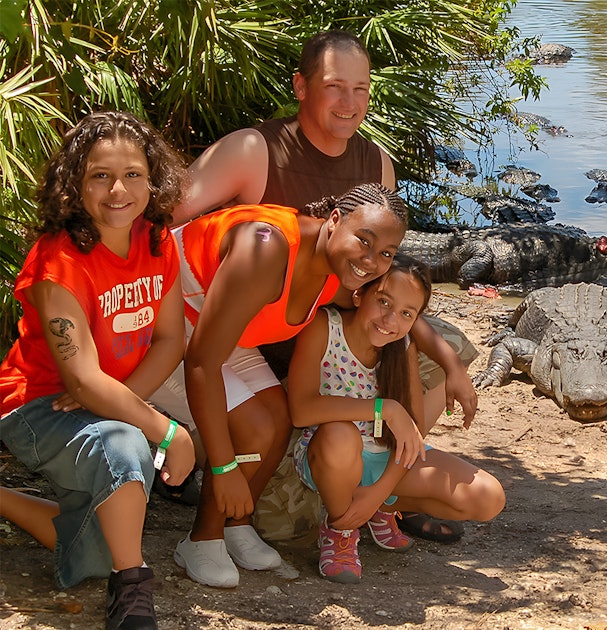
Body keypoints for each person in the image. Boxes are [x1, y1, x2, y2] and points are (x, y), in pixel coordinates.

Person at [170, 28, 476, 543]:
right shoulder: (255, 150)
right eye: (335, 86)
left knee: (443, 346)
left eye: (361, 89)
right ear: (301, 87)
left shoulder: (376, 163)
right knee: (278, 523)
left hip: (323, 322)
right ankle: (218, 462)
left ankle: (383, 488)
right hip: (247, 327)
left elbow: (382, 276)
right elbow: (164, 220)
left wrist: (449, 363)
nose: (348, 102)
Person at [149, 183, 410, 589]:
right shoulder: (267, 248)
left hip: (215, 329)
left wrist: (450, 362)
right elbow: (201, 362)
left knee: (278, 415)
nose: (371, 261)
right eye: (364, 240)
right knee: (252, 427)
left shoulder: (341, 271)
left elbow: (397, 305)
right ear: (335, 220)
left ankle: (235, 525)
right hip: (158, 329)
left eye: (386, 254)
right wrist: (224, 465)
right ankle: (202, 539)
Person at [0, 111, 195, 630]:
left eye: (133, 174)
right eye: (99, 175)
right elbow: (81, 381)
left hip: (98, 401)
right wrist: (168, 431)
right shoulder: (56, 260)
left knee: (94, 540)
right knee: (129, 445)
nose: (118, 190)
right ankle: (131, 582)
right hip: (35, 406)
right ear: (74, 183)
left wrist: (120, 401)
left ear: (153, 180)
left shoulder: (158, 243)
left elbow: (169, 341)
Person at [286, 256, 505, 582]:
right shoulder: (324, 328)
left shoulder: (401, 346)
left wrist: (378, 493)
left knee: (488, 498)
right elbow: (301, 409)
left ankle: (377, 510)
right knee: (341, 436)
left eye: (406, 313)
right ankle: (340, 528)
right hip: (329, 458)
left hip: (385, 459)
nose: (391, 320)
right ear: (359, 295)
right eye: (384, 302)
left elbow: (411, 434)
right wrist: (383, 408)